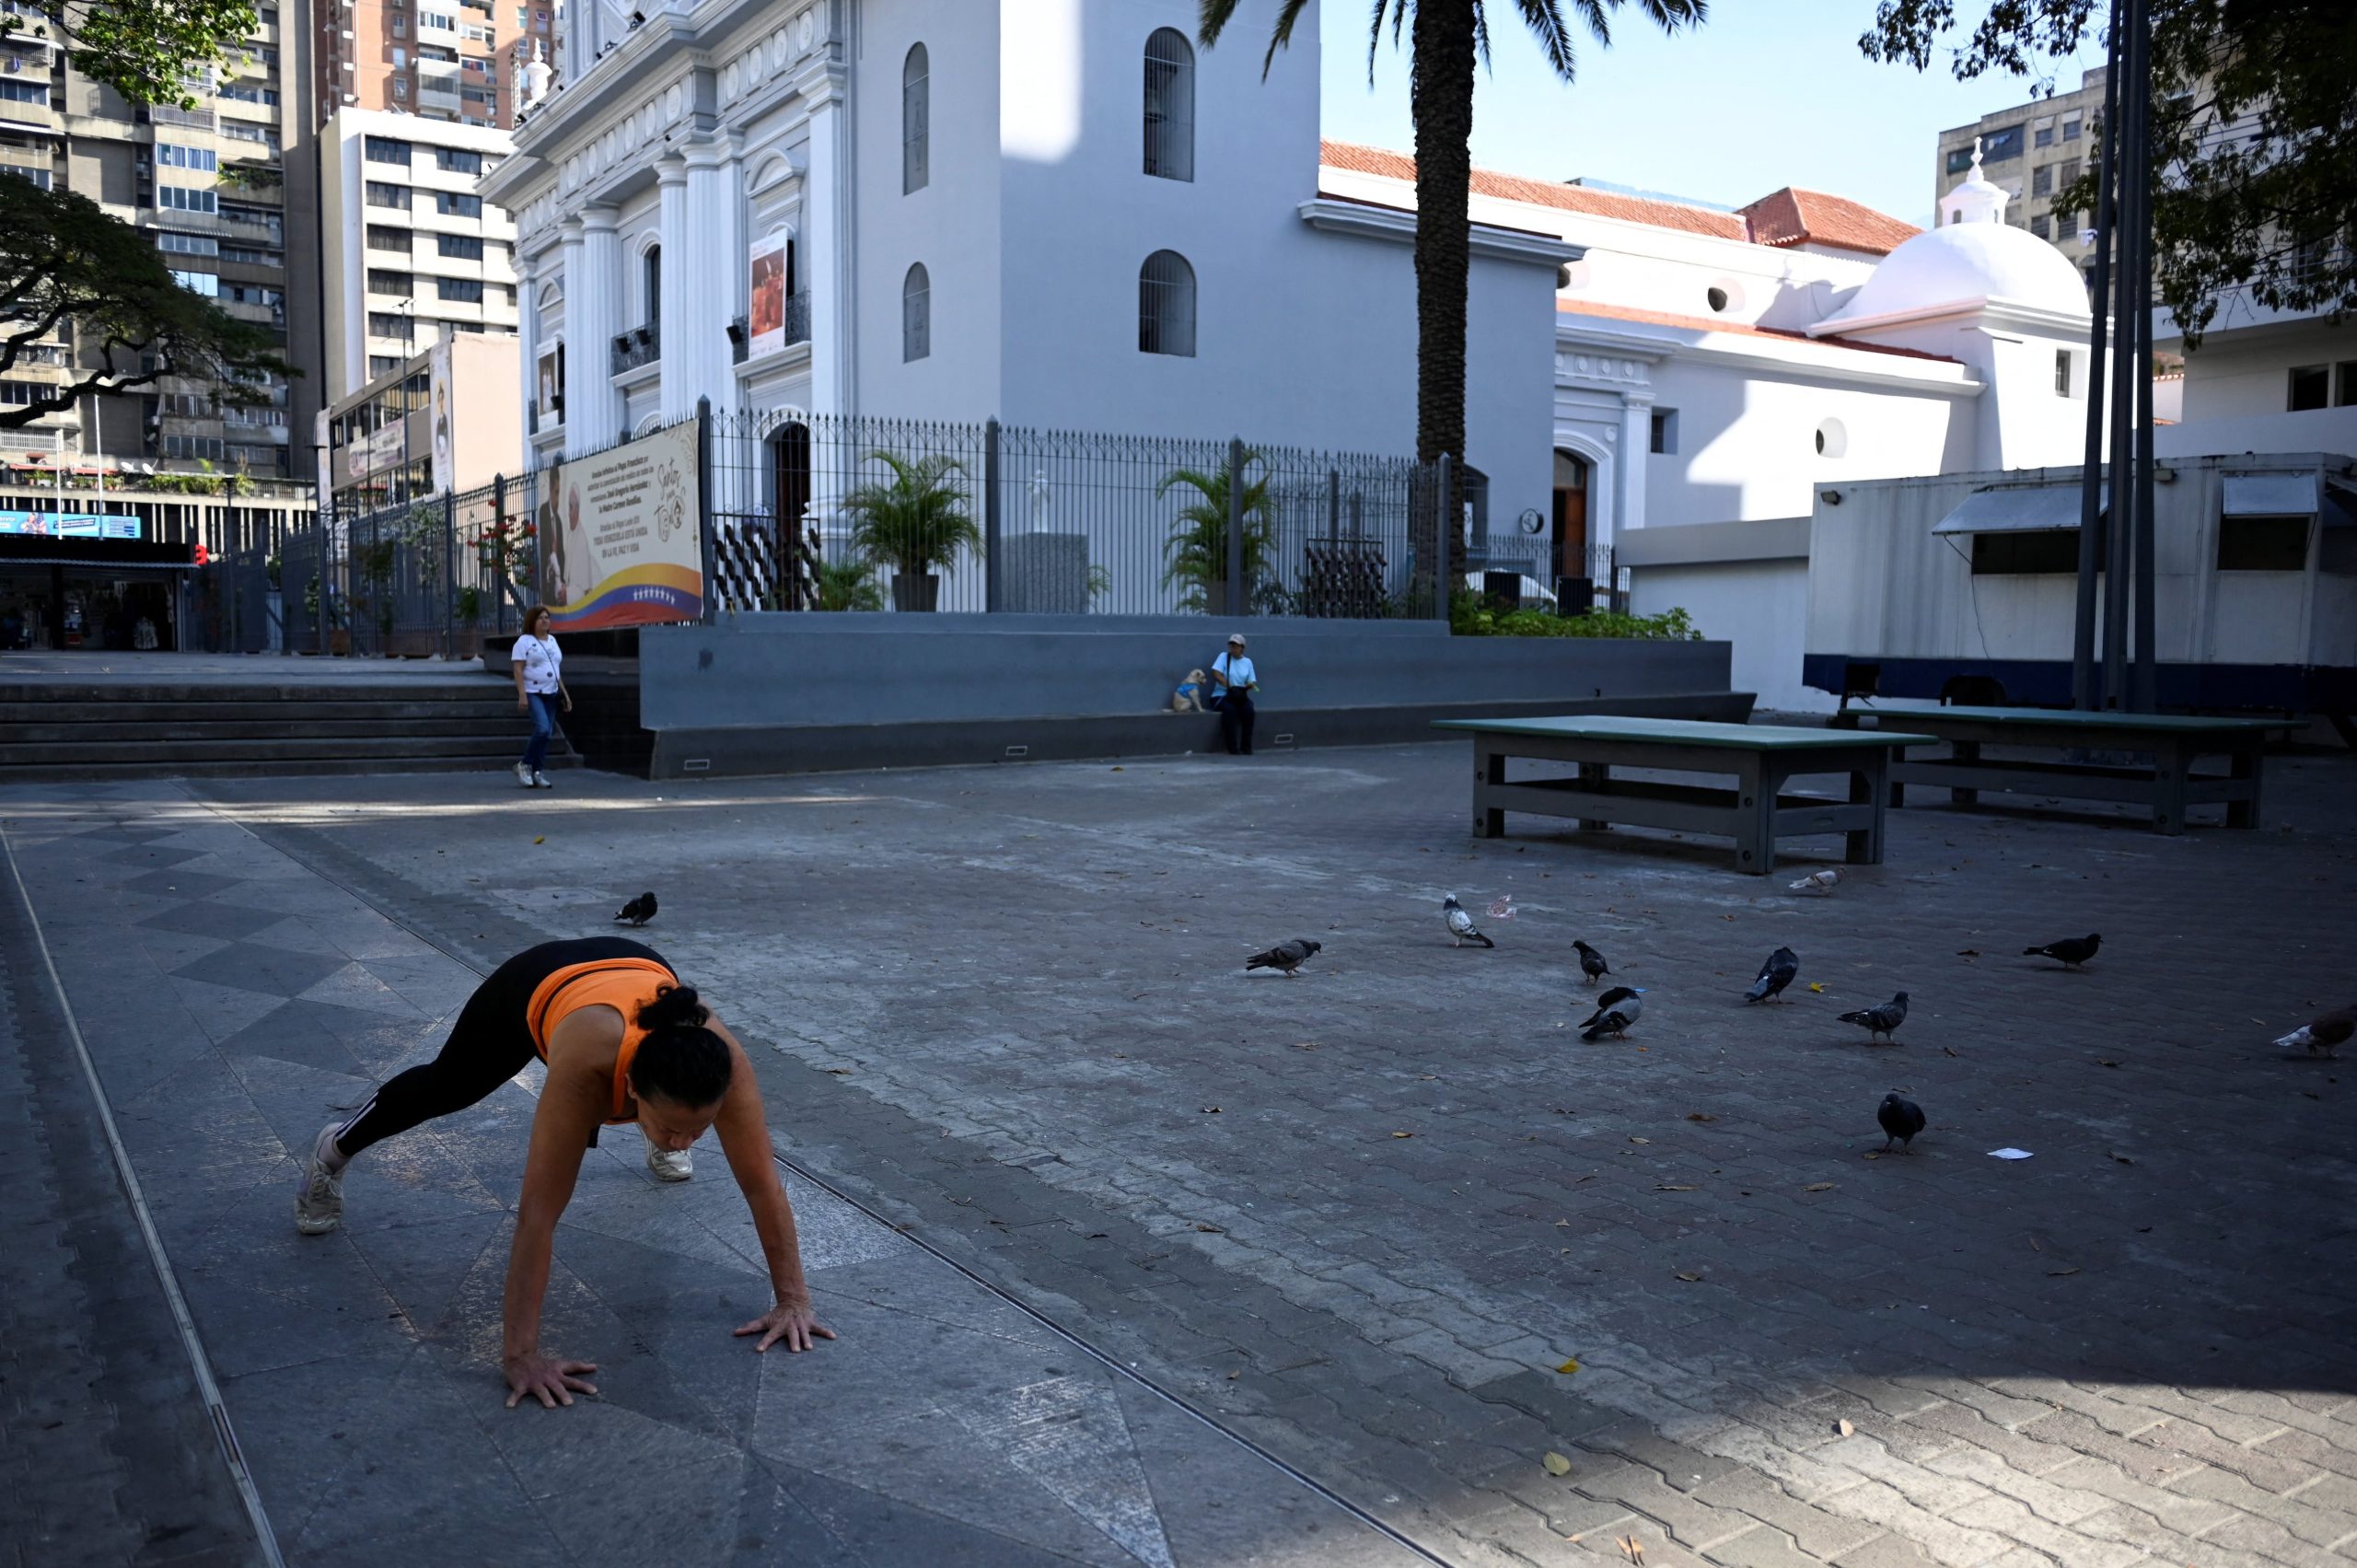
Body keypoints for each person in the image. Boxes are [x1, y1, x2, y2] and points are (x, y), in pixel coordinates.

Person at [292, 936, 834, 1409]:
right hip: (537, 983)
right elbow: (538, 1215)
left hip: (638, 969)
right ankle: (335, 1147)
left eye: (698, 1131)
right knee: (446, 1087)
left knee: (684, 1112)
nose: (688, 1142)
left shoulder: (726, 1067)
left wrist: (794, 1300)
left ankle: (661, 1127)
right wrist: (520, 1355)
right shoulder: (583, 1070)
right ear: (631, 1090)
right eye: (674, 1130)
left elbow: (763, 1185)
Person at [512, 606, 570, 789]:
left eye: (547, 617)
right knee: (543, 729)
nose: (545, 621)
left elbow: (556, 670)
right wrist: (522, 695)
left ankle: (537, 771)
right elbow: (518, 669)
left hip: (552, 692)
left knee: (547, 734)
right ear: (532, 621)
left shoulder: (552, 640)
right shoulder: (524, 641)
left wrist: (565, 694)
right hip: (533, 691)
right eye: (540, 618)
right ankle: (524, 764)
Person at [1207, 632, 1258, 755]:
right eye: (1231, 645)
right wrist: (1230, 687)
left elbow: (1252, 681)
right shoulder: (1223, 657)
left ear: (1242, 648)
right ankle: (1232, 747)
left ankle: (1246, 746)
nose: (1233, 648)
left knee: (1249, 710)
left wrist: (1246, 687)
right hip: (1222, 696)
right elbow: (1216, 674)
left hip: (1239, 696)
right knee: (1230, 710)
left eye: (1236, 646)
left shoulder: (1247, 662)